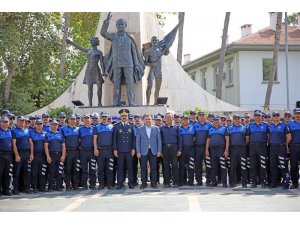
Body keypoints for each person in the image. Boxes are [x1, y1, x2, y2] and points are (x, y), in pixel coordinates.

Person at [101, 12, 145, 106]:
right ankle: (115, 103)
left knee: (130, 84)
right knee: (116, 84)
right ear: (116, 26)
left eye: (122, 24)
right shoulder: (113, 36)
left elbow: (134, 52)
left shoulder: (130, 38)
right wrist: (106, 22)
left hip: (129, 64)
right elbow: (103, 33)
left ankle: (132, 103)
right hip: (116, 64)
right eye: (119, 24)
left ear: (125, 26)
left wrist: (136, 65)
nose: (120, 26)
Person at [66, 37, 104, 107]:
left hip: (96, 70)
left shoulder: (99, 52)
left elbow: (102, 63)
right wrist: (71, 42)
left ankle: (99, 103)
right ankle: (90, 104)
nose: (91, 42)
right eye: (91, 41)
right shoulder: (88, 50)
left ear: (96, 42)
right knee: (90, 87)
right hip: (89, 70)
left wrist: (103, 72)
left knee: (99, 86)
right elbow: (79, 47)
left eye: (92, 41)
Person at [136, 114, 162, 189]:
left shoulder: (156, 128)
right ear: (144, 120)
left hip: (153, 151)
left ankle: (153, 183)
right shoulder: (140, 129)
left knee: (153, 168)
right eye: (146, 119)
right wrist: (138, 152)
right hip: (143, 151)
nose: (147, 120)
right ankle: (143, 183)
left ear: (152, 120)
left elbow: (159, 141)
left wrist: (159, 151)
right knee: (143, 168)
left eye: (149, 119)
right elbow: (137, 141)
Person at [113, 109, 136, 189]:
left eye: (125, 116)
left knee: (130, 167)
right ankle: (119, 183)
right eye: (122, 116)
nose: (124, 117)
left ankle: (131, 183)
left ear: (127, 116)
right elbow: (114, 139)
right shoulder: (116, 126)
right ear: (120, 117)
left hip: (129, 150)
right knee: (120, 167)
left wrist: (133, 148)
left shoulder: (131, 125)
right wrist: (115, 149)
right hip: (120, 150)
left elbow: (133, 138)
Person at [247, 109, 269, 188]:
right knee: (253, 165)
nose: (257, 117)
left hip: (262, 146)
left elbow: (268, 137)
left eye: (259, 116)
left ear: (261, 116)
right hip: (252, 147)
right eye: (256, 116)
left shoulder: (266, 125)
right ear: (254, 117)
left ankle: (263, 182)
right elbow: (248, 137)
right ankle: (254, 182)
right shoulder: (250, 125)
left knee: (262, 165)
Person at [268, 112, 291, 188]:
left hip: (281, 147)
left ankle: (286, 182)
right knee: (273, 166)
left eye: (277, 115)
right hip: (272, 148)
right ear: (272, 117)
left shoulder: (284, 125)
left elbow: (289, 137)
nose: (276, 117)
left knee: (283, 165)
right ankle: (274, 182)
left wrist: (285, 144)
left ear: (279, 117)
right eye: (274, 115)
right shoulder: (270, 126)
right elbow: (268, 137)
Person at [205, 115, 229, 188]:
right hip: (212, 150)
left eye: (218, 120)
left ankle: (224, 183)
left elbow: (227, 140)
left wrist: (226, 150)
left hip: (221, 150)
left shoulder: (224, 129)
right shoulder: (210, 129)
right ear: (213, 121)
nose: (216, 121)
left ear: (220, 121)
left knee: (223, 167)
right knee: (213, 167)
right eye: (215, 120)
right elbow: (208, 141)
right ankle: (214, 182)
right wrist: (206, 150)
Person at [160, 112, 182, 188]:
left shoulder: (176, 127)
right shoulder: (162, 128)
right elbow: (160, 140)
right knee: (166, 166)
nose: (169, 118)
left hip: (174, 148)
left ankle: (175, 182)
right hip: (164, 148)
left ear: (172, 118)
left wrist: (179, 150)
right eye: (167, 117)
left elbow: (179, 139)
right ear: (165, 119)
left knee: (175, 166)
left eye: (170, 117)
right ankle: (166, 182)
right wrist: (160, 151)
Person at [12, 116, 33, 194]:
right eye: (20, 121)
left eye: (23, 121)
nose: (22, 122)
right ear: (17, 122)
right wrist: (17, 155)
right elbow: (14, 144)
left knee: (27, 172)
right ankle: (16, 189)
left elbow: (31, 143)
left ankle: (26, 188)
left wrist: (31, 154)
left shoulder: (28, 131)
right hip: (19, 153)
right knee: (17, 172)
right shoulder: (14, 131)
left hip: (27, 153)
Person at [93, 113, 114, 190]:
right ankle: (101, 184)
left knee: (110, 168)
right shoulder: (97, 127)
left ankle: (109, 184)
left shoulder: (112, 127)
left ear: (107, 118)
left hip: (109, 151)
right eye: (103, 117)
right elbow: (94, 139)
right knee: (100, 168)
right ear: (100, 118)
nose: (104, 118)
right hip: (100, 150)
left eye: (105, 117)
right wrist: (95, 149)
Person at [227, 115, 249, 188]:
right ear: (233, 120)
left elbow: (247, 139)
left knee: (243, 166)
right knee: (232, 166)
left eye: (238, 119)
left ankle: (244, 183)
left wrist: (242, 145)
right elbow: (228, 139)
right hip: (233, 149)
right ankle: (232, 182)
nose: (237, 120)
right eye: (235, 119)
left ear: (240, 120)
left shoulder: (244, 128)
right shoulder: (229, 128)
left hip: (242, 149)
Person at [44, 120, 66, 192]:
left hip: (59, 155)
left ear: (57, 126)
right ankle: (50, 187)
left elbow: (63, 146)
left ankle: (58, 187)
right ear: (50, 125)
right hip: (51, 155)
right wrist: (48, 156)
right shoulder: (47, 135)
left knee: (59, 172)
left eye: (55, 125)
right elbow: (46, 147)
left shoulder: (60, 134)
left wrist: (63, 156)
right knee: (51, 172)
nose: (54, 126)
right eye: (53, 125)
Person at [61, 114, 80, 191]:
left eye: (74, 119)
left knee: (76, 169)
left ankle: (75, 185)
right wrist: (64, 152)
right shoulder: (63, 129)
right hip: (68, 152)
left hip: (76, 152)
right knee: (68, 169)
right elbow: (62, 142)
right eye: (71, 119)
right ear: (68, 120)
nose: (72, 120)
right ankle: (68, 185)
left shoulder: (78, 129)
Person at [79, 114, 97, 190]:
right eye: (85, 118)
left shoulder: (94, 128)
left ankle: (92, 184)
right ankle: (84, 185)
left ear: (90, 119)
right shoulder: (80, 129)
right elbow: (78, 140)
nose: (87, 119)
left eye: (88, 118)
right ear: (83, 120)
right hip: (83, 152)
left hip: (91, 151)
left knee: (93, 168)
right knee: (84, 169)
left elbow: (96, 140)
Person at [194, 111, 212, 186]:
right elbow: (193, 137)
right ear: (198, 116)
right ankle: (199, 181)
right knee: (198, 165)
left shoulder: (210, 125)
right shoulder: (195, 125)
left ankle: (208, 180)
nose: (202, 117)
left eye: (203, 115)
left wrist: (207, 148)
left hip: (207, 148)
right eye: (200, 115)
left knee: (208, 164)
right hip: (197, 148)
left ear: (205, 116)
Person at [29, 119, 47, 192]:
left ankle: (42, 187)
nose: (39, 125)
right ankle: (35, 187)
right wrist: (32, 154)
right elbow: (31, 144)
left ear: (42, 125)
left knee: (42, 172)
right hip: (35, 156)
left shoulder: (45, 133)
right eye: (38, 124)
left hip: (43, 156)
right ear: (35, 125)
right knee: (34, 172)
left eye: (40, 124)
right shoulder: (31, 133)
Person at [178, 115, 195, 186]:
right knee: (182, 166)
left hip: (191, 149)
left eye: (186, 119)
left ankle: (191, 181)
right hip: (182, 150)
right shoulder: (178, 129)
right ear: (181, 120)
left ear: (188, 120)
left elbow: (194, 138)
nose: (185, 121)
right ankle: (182, 181)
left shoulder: (192, 128)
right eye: (184, 119)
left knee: (191, 166)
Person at [287, 108, 300, 189]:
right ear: (294, 115)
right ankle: (295, 183)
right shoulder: (289, 124)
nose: (298, 115)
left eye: (299, 113)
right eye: (296, 114)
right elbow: (287, 137)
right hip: (293, 147)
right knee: (294, 166)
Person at [0, 117, 13, 196]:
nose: (5, 123)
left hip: (9, 154)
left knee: (8, 173)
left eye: (7, 122)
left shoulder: (10, 131)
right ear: (1, 123)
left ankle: (7, 189)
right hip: (1, 154)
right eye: (4, 122)